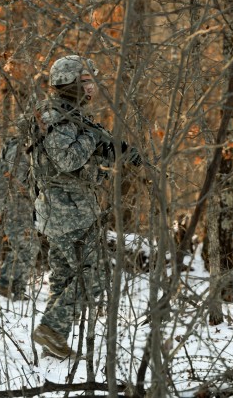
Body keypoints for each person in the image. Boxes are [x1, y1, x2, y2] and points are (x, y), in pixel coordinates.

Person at [29, 55, 141, 359]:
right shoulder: (55, 115)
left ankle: (54, 341)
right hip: (68, 211)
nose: (93, 88)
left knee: (66, 277)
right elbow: (66, 159)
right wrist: (92, 138)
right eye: (87, 81)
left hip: (67, 210)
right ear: (71, 83)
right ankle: (51, 329)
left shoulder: (71, 114)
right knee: (95, 277)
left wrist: (128, 154)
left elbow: (96, 150)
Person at [0, 135, 40, 300]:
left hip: (23, 205)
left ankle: (18, 288)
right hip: (16, 205)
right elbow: (20, 181)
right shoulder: (19, 149)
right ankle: (4, 284)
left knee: (30, 246)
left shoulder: (27, 147)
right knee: (25, 246)